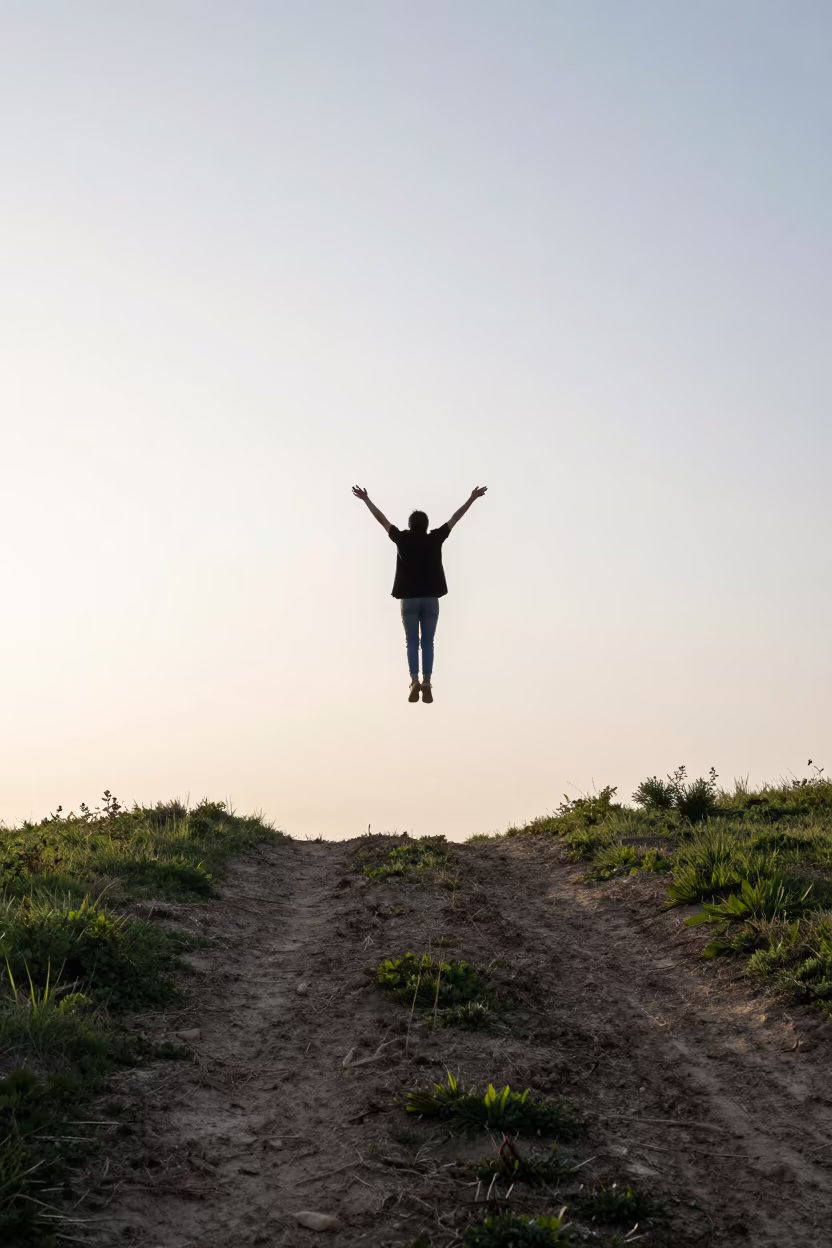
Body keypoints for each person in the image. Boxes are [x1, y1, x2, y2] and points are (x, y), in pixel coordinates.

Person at [352, 485, 488, 702]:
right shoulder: (435, 538)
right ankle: (427, 681)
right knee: (428, 642)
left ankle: (414, 680)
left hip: (409, 599)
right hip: (431, 598)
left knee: (412, 641)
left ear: (409, 525)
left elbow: (381, 518)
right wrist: (472, 498)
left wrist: (366, 500)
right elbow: (456, 517)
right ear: (426, 526)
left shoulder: (401, 539)